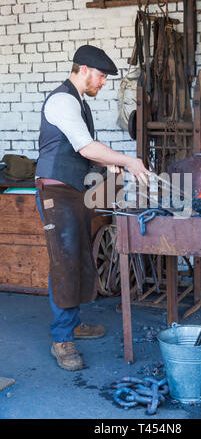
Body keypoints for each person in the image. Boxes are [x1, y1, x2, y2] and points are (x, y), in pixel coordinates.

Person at [35, 44, 150, 371]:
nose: (102, 83)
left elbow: (84, 153)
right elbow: (85, 146)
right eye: (101, 76)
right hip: (55, 191)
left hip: (73, 191)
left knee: (79, 257)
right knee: (65, 263)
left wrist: (104, 166)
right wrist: (128, 160)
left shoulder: (79, 101)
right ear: (83, 69)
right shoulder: (62, 101)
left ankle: (71, 324)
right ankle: (62, 339)